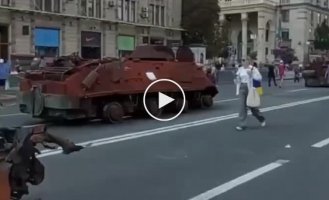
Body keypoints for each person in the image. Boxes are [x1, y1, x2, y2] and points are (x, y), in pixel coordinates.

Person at [235, 59, 266, 131]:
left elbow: (259, 78)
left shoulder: (253, 68)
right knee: (242, 107)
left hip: (251, 89)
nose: (243, 62)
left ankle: (261, 118)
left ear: (248, 61)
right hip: (242, 88)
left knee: (252, 107)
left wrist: (251, 75)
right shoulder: (240, 69)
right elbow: (238, 79)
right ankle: (242, 125)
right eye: (242, 60)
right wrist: (236, 81)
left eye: (244, 60)